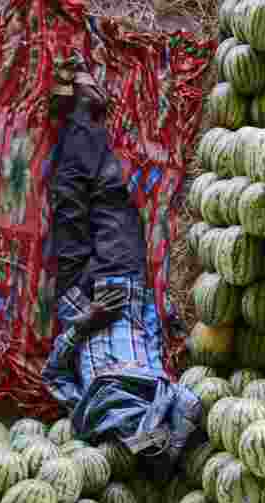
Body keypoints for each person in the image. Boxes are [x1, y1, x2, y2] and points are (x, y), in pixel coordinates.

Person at [42, 52, 204, 480]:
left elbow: (52, 373)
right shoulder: (163, 390)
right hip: (122, 284)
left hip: (77, 299)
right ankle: (83, 115)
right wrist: (145, 295)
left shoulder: (84, 413)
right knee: (109, 194)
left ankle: (79, 114)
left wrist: (83, 325)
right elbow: (190, 402)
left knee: (68, 200)